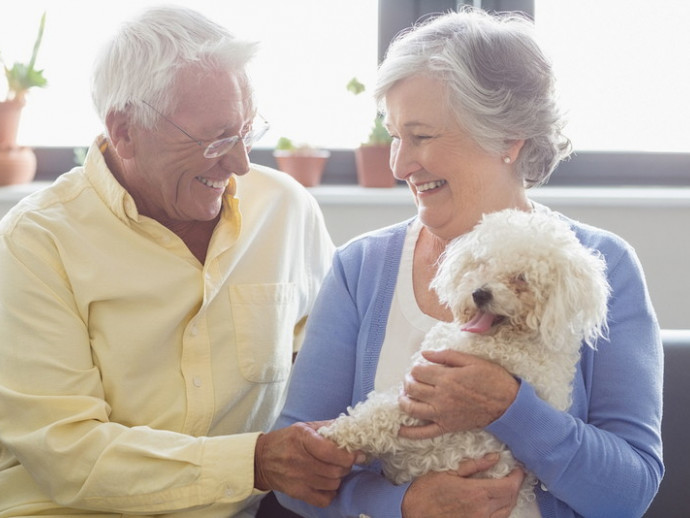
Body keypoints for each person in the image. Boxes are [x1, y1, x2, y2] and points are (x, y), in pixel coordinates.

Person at [275, 7, 663, 518]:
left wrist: (510, 410)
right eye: (394, 135)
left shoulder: (602, 267)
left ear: (508, 139)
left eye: (422, 136)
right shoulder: (361, 268)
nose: (398, 164)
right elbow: (292, 474)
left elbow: (629, 493)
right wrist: (403, 504)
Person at [0, 6, 360, 518]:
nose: (239, 164)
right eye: (215, 141)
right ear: (124, 131)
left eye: (246, 133)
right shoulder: (35, 243)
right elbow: (69, 456)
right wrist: (253, 463)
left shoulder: (284, 209)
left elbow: (329, 377)